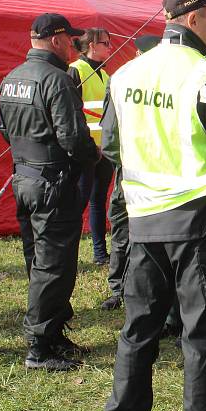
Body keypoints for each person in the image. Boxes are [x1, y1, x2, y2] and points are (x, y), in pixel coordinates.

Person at [102, 0, 206, 411]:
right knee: (203, 335)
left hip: (143, 222)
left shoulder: (125, 75)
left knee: (138, 332)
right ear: (194, 20)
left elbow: (111, 146)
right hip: (199, 223)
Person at [0, 13, 100, 371]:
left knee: (37, 261)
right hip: (53, 183)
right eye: (71, 40)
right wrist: (94, 155)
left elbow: (4, 131)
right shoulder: (56, 80)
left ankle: (53, 333)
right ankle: (40, 346)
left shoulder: (12, 78)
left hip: (23, 179)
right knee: (54, 266)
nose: (74, 46)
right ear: (57, 40)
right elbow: (73, 137)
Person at [99, 34, 159, 312]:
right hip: (158, 172)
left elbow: (109, 138)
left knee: (124, 230)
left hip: (132, 171)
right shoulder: (168, 80)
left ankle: (119, 289)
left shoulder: (121, 80)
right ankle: (124, 288)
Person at [69, 28, 114, 265]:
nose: (110, 47)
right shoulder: (76, 70)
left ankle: (99, 253)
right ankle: (70, 255)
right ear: (92, 45)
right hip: (86, 150)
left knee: (98, 200)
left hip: (104, 148)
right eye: (105, 43)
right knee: (79, 203)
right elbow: (71, 111)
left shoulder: (105, 75)